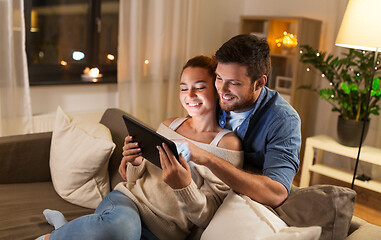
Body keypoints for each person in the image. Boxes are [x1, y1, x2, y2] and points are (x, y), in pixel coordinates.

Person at [36, 55, 243, 240]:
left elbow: (207, 218)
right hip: (127, 205)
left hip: (164, 231)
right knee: (122, 230)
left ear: (217, 90)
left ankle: (64, 228)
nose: (189, 95)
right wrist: (135, 162)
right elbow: (133, 179)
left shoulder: (226, 145)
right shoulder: (170, 125)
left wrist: (184, 187)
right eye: (183, 87)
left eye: (199, 87)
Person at [183, 34, 303, 239]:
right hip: (194, 197)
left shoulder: (283, 120)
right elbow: (189, 135)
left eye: (235, 83)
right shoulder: (213, 94)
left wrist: (209, 158)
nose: (222, 89)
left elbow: (277, 192)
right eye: (219, 77)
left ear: (259, 83)